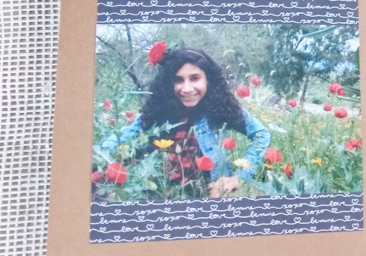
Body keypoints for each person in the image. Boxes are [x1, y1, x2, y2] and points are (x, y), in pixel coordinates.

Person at [100, 47, 270, 197]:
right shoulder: (158, 109)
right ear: (169, 83)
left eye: (195, 78)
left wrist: (239, 177)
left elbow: (261, 134)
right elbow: (118, 139)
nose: (187, 89)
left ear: (208, 80)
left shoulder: (222, 106)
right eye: (178, 80)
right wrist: (100, 157)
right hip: (157, 190)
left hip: (203, 192)